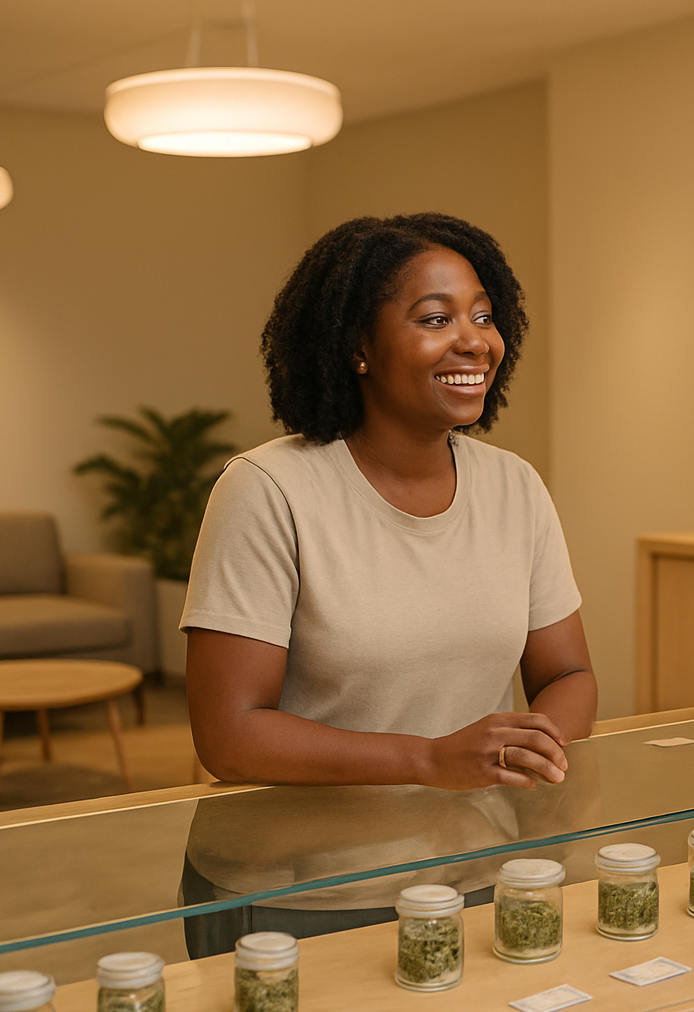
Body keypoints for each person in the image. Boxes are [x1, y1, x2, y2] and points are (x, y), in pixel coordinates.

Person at [183, 212, 598, 792]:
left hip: (479, 864)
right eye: (435, 319)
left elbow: (569, 672)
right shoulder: (267, 489)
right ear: (358, 345)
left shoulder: (516, 487)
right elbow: (229, 736)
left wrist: (521, 755)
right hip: (308, 873)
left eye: (483, 316)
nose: (475, 341)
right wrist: (428, 762)